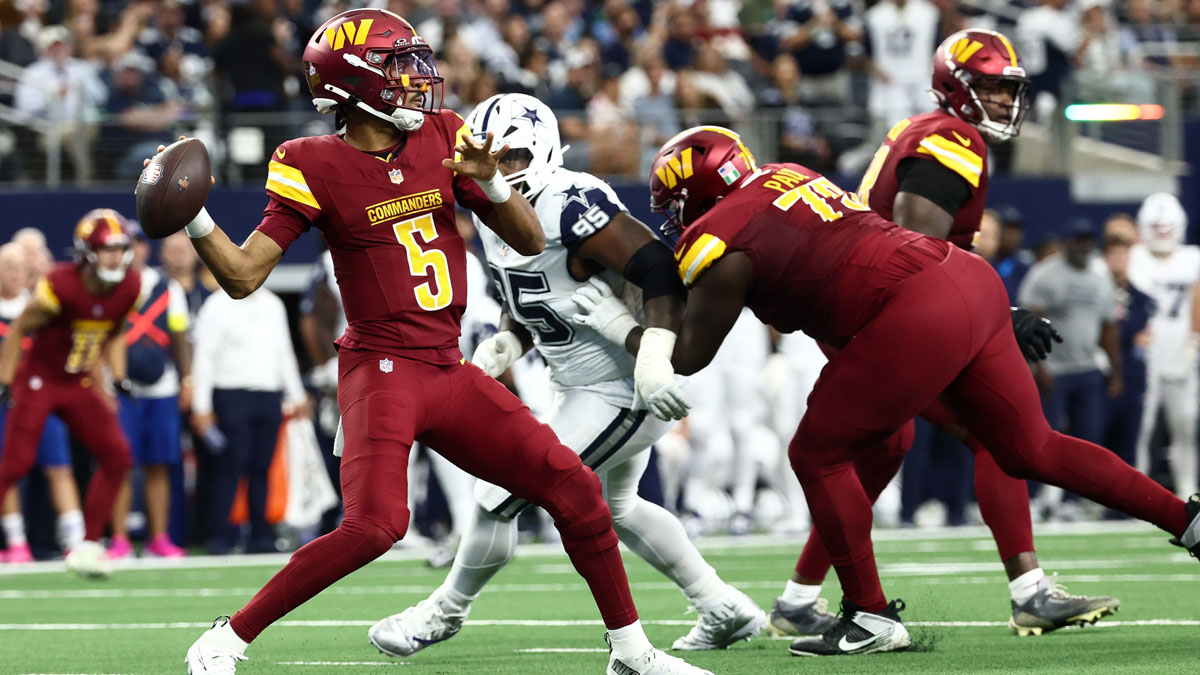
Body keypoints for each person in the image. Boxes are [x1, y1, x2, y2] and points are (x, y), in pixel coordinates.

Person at [179, 10, 710, 675]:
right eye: (397, 64)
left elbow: (526, 238)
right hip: (382, 367)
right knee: (376, 525)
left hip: (447, 364)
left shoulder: (444, 134)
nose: (415, 77)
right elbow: (243, 274)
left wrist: (488, 180)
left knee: (573, 487)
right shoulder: (310, 161)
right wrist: (194, 216)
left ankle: (631, 652)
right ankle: (227, 636)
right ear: (351, 83)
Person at [571, 125, 1200, 657]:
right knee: (1031, 447)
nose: (672, 218)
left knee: (816, 454)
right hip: (967, 281)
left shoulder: (719, 240)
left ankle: (870, 615)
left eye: (674, 203)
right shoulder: (786, 175)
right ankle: (1187, 520)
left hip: (911, 310)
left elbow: (688, 356)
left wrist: (616, 325)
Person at [368, 93, 765, 658]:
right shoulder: (491, 209)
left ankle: (443, 612)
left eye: (512, 157)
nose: (498, 171)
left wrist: (651, 358)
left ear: (548, 151)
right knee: (621, 508)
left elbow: (659, 270)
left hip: (626, 387)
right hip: (579, 384)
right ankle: (721, 605)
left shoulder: (569, 201)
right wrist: (510, 339)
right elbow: (541, 294)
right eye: (489, 158)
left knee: (497, 493)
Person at [764, 29, 1117, 640]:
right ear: (958, 86)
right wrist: (996, 316)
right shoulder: (952, 136)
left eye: (1011, 90)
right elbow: (914, 243)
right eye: (992, 87)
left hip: (872, 310)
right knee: (994, 435)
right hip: (892, 314)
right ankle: (1030, 590)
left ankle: (797, 600)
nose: (1006, 101)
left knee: (882, 452)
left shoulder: (922, 128)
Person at [0, 209, 140, 579]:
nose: (114, 257)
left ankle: (87, 547)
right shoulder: (60, 284)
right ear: (86, 252)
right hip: (40, 380)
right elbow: (19, 329)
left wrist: (119, 376)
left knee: (118, 456)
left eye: (120, 248)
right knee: (14, 465)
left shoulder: (129, 285)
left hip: (78, 381)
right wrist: (5, 378)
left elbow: (114, 330)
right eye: (106, 249)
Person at [191, 283, 306, 554]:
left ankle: (260, 535)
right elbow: (204, 355)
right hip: (231, 392)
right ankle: (219, 536)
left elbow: (284, 351)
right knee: (229, 466)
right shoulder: (217, 305)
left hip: (268, 394)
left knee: (261, 468)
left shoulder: (273, 304)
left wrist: (296, 394)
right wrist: (202, 405)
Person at [1019, 220, 1122, 520]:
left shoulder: (1100, 277)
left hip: (1087, 368)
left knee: (1088, 439)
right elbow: (1028, 322)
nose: (1083, 244)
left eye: (1088, 238)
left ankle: (1078, 501)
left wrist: (1116, 371)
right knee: (1042, 438)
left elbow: (1109, 328)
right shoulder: (1046, 274)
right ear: (1068, 241)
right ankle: (1040, 500)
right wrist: (1038, 367)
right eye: (1078, 238)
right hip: (1054, 368)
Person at [109, 226, 192, 559]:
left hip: (161, 388)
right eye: (127, 245)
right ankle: (119, 539)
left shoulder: (169, 288)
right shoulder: (108, 288)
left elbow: (180, 338)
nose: (134, 251)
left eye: (138, 244)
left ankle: (159, 537)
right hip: (121, 389)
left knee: (159, 464)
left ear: (146, 250)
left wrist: (187, 380)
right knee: (119, 464)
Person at [0, 242, 85, 563]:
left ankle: (77, 539)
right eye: (6, 266)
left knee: (59, 467)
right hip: (5, 403)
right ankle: (16, 541)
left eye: (18, 267)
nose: (12, 273)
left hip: (41, 400)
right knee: (7, 471)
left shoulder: (41, 308)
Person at [1129, 192, 1200, 498]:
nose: (1162, 232)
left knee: (1185, 425)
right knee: (1139, 429)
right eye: (1155, 226)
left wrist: (1194, 341)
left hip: (1181, 351)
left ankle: (1188, 491)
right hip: (1142, 354)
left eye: (1166, 226)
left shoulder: (1193, 258)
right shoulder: (1133, 257)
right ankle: (1134, 493)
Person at [1101, 235, 1154, 472]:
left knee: (1129, 441)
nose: (1119, 261)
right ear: (1104, 259)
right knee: (1098, 440)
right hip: (1102, 375)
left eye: (1124, 255)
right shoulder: (1096, 291)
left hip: (1133, 375)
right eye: (1114, 255)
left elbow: (1136, 329)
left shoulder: (1142, 297)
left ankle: (1123, 507)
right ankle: (1089, 502)